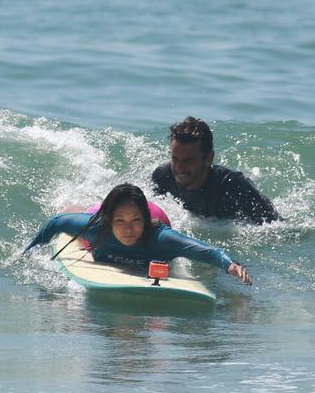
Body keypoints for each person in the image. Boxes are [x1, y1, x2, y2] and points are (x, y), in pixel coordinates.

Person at [24, 183, 252, 286]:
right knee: (73, 212)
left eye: (135, 221)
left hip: (155, 216)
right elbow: (55, 222)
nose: (128, 229)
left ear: (143, 220)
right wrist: (30, 252)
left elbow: (205, 251)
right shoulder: (95, 229)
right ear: (110, 220)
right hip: (102, 217)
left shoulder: (160, 239)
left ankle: (132, 214)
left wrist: (230, 265)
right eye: (120, 222)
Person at [152, 116, 280, 224]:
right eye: (175, 159)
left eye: (188, 161)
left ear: (209, 158)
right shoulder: (162, 177)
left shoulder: (236, 188)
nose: (179, 168)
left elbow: (277, 226)